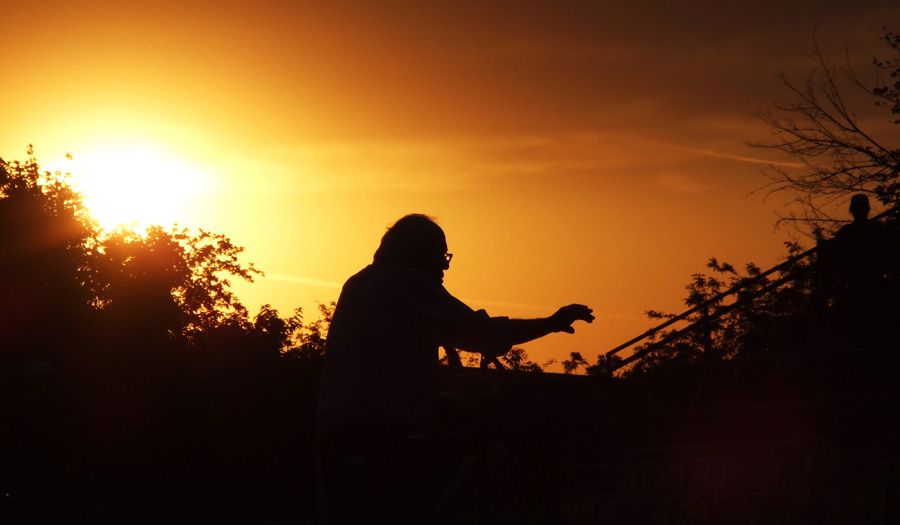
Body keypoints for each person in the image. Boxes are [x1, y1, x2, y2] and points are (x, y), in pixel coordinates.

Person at [316, 214, 593, 523]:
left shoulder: (360, 283)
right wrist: (551, 323)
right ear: (419, 252)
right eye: (441, 256)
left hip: (338, 438)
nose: (445, 267)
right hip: (380, 442)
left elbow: (385, 371)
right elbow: (479, 333)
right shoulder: (407, 283)